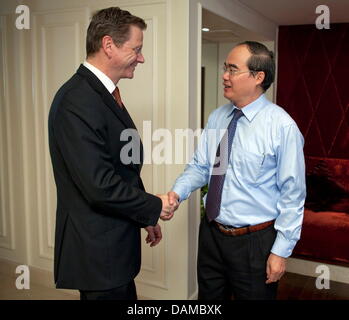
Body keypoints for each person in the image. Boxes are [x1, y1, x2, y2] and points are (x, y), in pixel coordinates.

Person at [48, 7, 174, 300]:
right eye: (137, 49)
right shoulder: (77, 101)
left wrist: (145, 216)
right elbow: (99, 186)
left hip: (114, 246)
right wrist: (154, 204)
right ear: (108, 45)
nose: (141, 58)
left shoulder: (102, 94)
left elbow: (123, 168)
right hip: (98, 253)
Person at [167, 41, 306, 300]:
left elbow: (293, 195)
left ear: (258, 77)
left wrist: (280, 251)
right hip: (210, 233)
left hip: (254, 243)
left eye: (232, 69)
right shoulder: (218, 117)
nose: (224, 76)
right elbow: (201, 166)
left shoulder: (282, 127)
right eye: (225, 68)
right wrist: (176, 193)